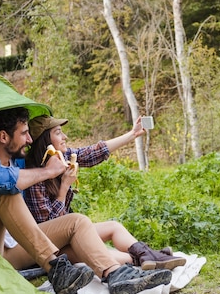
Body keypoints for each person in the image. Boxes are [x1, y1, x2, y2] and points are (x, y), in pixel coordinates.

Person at [0, 107, 172, 294]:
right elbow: (3, 181)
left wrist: (131, 135)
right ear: (4, 136)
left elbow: (83, 154)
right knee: (7, 190)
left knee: (77, 222)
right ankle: (56, 269)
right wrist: (47, 172)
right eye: (24, 133)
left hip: (18, 247)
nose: (30, 139)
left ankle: (115, 274)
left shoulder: (19, 160)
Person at [24, 114, 186, 270]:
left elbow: (94, 152)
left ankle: (149, 255)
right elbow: (50, 227)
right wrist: (64, 187)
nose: (65, 137)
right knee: (102, 252)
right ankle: (151, 257)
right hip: (51, 247)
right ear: (46, 141)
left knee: (114, 227)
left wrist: (132, 134)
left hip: (70, 233)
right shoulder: (35, 176)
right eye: (58, 133)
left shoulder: (61, 157)